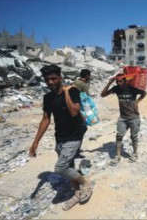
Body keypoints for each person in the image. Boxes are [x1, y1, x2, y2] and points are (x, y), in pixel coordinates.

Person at [29, 64, 93, 211]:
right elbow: (46, 119)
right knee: (69, 166)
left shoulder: (73, 90)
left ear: (60, 78)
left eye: (53, 78)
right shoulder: (48, 97)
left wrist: (65, 92)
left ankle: (86, 183)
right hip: (61, 136)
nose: (50, 82)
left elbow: (74, 112)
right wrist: (35, 142)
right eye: (47, 80)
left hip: (75, 134)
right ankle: (77, 193)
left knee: (60, 168)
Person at [100, 74, 147, 166]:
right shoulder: (117, 89)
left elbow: (144, 93)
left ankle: (134, 153)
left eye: (121, 81)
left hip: (134, 117)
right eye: (118, 81)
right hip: (123, 117)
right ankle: (117, 156)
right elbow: (103, 94)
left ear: (125, 81)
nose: (119, 83)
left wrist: (137, 101)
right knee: (119, 136)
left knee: (134, 136)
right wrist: (109, 83)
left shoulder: (132, 89)